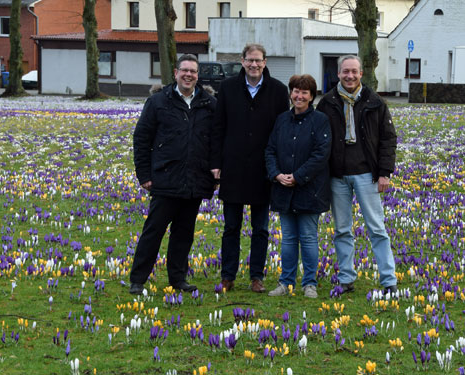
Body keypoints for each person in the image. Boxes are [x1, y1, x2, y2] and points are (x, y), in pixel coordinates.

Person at [129, 54, 217, 295]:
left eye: (193, 71)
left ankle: (178, 278)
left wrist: (214, 173)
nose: (189, 75)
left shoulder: (208, 103)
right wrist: (144, 174)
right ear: (176, 73)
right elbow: (142, 138)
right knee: (153, 231)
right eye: (184, 70)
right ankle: (138, 278)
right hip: (165, 178)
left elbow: (215, 141)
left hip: (194, 180)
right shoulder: (158, 102)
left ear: (198, 76)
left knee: (184, 234)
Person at [316, 55, 398, 295]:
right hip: (337, 175)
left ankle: (388, 278)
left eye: (354, 71)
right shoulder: (328, 102)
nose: (349, 76)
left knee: (377, 227)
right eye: (345, 72)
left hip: (367, 174)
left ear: (361, 73)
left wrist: (385, 172)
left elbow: (388, 139)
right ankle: (346, 277)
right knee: (342, 229)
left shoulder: (375, 102)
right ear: (338, 74)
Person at [211, 43, 289, 293]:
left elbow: (281, 132)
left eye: (258, 60)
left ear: (265, 62)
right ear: (242, 61)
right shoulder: (227, 88)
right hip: (233, 166)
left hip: (263, 169)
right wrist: (216, 163)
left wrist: (277, 166)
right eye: (249, 60)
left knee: (261, 228)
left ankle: (256, 276)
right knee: (231, 226)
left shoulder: (277, 90)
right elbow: (218, 127)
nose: (254, 65)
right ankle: (228, 275)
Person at [265, 74, 331, 299]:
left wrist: (298, 176)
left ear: (312, 96)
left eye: (304, 92)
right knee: (289, 239)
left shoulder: (320, 120)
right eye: (296, 91)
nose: (299, 96)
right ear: (290, 93)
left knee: (309, 237)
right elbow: (270, 150)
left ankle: (309, 283)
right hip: (283, 188)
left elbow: (321, 154)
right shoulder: (281, 119)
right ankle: (286, 282)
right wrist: (276, 174)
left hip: (309, 189)